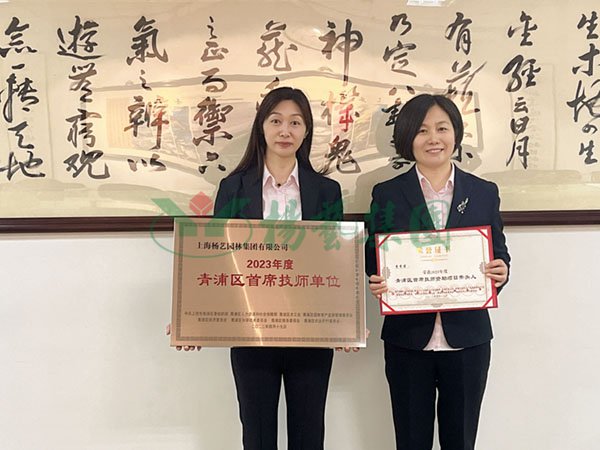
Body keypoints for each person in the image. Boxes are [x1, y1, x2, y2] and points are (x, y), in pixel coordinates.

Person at [170, 86, 346, 450]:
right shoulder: (234, 188)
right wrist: (191, 319)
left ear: (306, 130)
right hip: (250, 331)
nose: (285, 131)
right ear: (261, 127)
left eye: (295, 122)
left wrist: (346, 321)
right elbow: (218, 257)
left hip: (310, 331)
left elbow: (336, 261)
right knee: (258, 433)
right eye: (276, 121)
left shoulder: (326, 191)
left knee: (309, 433)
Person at [366, 93, 510, 450]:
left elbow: (499, 253)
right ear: (407, 138)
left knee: (460, 440)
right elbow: (374, 255)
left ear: (455, 134)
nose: (434, 138)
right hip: (407, 339)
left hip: (468, 338)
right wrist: (377, 278)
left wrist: (501, 271)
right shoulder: (387, 194)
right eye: (422, 130)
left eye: (442, 128)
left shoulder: (483, 192)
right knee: (410, 440)